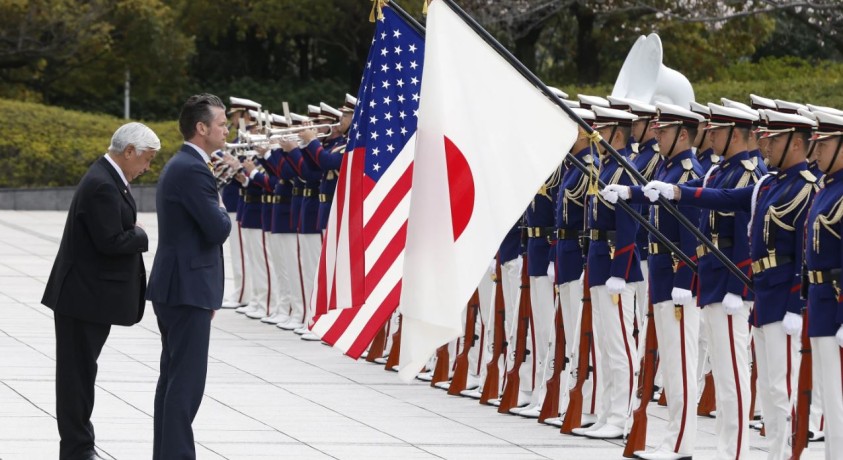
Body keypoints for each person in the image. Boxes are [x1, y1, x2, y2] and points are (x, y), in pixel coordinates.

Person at [42, 122, 160, 460]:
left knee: (81, 372)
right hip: (83, 298)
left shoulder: (107, 178)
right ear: (128, 152)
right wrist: (140, 235)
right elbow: (111, 241)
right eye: (146, 160)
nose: (147, 168)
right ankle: (77, 448)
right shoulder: (103, 185)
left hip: (86, 296)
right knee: (76, 375)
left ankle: (79, 445)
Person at [146, 93, 234, 459]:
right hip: (187, 288)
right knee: (186, 384)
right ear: (201, 128)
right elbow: (217, 229)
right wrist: (222, 206)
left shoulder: (186, 164)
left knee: (173, 379)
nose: (227, 130)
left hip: (179, 286)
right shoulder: (193, 168)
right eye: (221, 124)